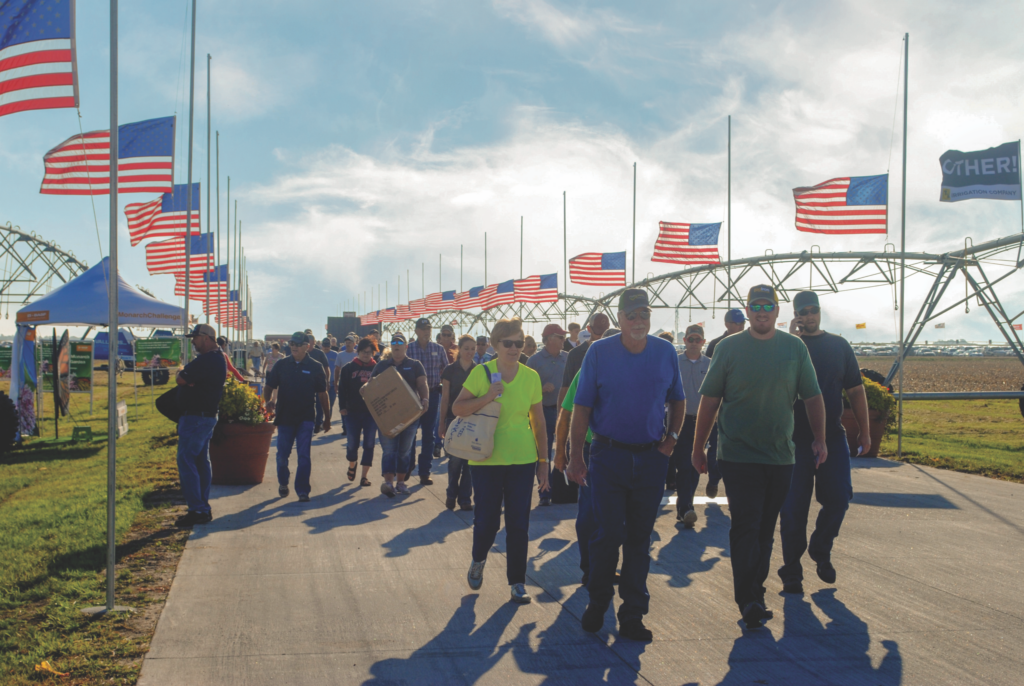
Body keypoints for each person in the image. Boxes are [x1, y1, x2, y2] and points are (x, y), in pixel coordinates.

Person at [691, 284, 826, 629]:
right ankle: (747, 599)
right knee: (746, 526)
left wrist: (821, 440)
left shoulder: (794, 348)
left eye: (768, 305)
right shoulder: (729, 348)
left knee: (766, 530)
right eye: (755, 305)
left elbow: (812, 397)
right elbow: (710, 400)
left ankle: (756, 591)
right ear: (747, 311)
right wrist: (698, 446)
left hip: (781, 456)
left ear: (777, 311)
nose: (762, 311)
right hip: (738, 454)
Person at [566, 290, 685, 641]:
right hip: (608, 455)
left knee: (639, 538)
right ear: (620, 318)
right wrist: (575, 456)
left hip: (651, 458)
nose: (639, 321)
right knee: (607, 534)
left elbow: (678, 399)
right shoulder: (599, 352)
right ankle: (598, 602)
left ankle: (632, 614)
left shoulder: (665, 352)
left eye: (644, 314)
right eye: (631, 315)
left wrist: (671, 440)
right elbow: (581, 407)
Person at [779, 291, 871, 593]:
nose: (808, 316)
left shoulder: (839, 345)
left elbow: (856, 391)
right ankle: (791, 571)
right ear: (794, 315)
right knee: (793, 510)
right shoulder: (787, 346)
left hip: (832, 437)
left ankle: (820, 546)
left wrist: (865, 431)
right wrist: (792, 341)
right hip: (793, 441)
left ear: (819, 312)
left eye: (812, 310)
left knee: (839, 499)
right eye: (802, 312)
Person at [454, 317, 548, 605]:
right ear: (495, 344)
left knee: (519, 523)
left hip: (522, 458)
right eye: (508, 343)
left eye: (519, 343)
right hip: (486, 459)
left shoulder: (531, 376)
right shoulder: (482, 373)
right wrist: (487, 398)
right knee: (488, 522)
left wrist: (544, 461)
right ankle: (478, 559)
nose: (514, 348)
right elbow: (458, 407)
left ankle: (517, 582)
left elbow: (539, 421)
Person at [264, 331, 331, 503]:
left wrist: (327, 419)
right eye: (291, 343)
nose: (293, 346)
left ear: (306, 347)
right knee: (282, 457)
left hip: (306, 418)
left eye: (297, 344)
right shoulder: (281, 365)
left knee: (304, 456)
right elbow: (269, 385)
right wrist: (268, 402)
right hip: (285, 417)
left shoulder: (315, 366)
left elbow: (323, 394)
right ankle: (283, 482)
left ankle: (302, 491)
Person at [174, 324, 227, 527]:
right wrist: (187, 377)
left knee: (186, 459)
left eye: (195, 338)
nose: (193, 342)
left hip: (196, 418)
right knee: (200, 462)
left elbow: (180, 379)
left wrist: (185, 373)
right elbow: (186, 380)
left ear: (206, 338)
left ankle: (197, 508)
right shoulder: (215, 359)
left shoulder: (208, 360)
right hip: (204, 417)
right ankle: (201, 507)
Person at [365, 332, 429, 498]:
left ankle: (401, 482)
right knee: (389, 450)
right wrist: (365, 388)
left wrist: (425, 399)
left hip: (410, 415)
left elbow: (422, 384)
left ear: (406, 346)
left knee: (405, 450)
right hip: (387, 416)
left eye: (400, 342)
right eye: (393, 342)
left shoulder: (415, 365)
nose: (396, 344)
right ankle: (388, 483)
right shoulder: (382, 366)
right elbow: (371, 386)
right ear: (390, 347)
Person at [669, 325, 711, 528]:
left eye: (698, 340)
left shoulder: (712, 364)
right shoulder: (674, 362)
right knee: (684, 464)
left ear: (703, 342)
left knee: (697, 465)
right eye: (691, 339)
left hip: (704, 421)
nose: (694, 343)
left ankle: (686, 506)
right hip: (680, 420)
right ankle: (686, 508)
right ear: (684, 340)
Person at [527, 323, 568, 507]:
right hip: (541, 412)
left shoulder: (568, 358)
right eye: (560, 337)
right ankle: (544, 492)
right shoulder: (534, 362)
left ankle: (559, 489)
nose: (563, 340)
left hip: (563, 412)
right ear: (550, 338)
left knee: (563, 451)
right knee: (543, 454)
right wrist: (541, 389)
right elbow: (525, 390)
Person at [405, 318, 450, 479]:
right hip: (411, 398)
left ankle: (425, 471)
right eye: (423, 329)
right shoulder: (408, 349)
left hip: (432, 396)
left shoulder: (438, 349)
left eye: (429, 329)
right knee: (410, 434)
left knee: (428, 435)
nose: (426, 332)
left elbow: (447, 372)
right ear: (416, 331)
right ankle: (407, 467)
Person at [439, 334, 476, 511]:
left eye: (472, 349)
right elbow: (445, 399)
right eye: (466, 348)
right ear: (459, 349)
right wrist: (441, 423)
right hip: (453, 420)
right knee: (454, 461)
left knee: (469, 462)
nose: (470, 352)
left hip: (473, 421)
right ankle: (451, 493)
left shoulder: (479, 370)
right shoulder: (449, 370)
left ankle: (465, 498)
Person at [338, 338, 379, 487]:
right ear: (358, 351)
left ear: (373, 353)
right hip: (352, 412)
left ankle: (364, 476)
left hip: (371, 413)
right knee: (352, 443)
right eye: (363, 352)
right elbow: (342, 389)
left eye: (369, 352)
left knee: (369, 443)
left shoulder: (377, 369)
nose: (366, 355)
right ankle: (352, 464)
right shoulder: (348, 368)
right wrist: (342, 406)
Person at [558, 313, 611, 407]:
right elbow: (566, 388)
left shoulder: (613, 352)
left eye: (605, 332)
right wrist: (561, 417)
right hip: (581, 409)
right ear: (589, 329)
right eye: (598, 332)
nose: (601, 336)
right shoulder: (575, 354)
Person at [305, 334, 331, 432]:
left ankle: (318, 423)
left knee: (320, 404)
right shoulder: (302, 354)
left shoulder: (319, 353)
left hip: (319, 382)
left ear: (314, 343)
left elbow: (326, 368)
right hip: (307, 384)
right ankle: (310, 421)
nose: (309, 347)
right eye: (308, 344)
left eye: (311, 344)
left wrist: (327, 381)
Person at [334, 335, 358, 436]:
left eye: (350, 342)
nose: (348, 344)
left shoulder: (357, 354)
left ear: (354, 344)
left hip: (355, 385)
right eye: (346, 342)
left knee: (354, 406)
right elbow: (337, 369)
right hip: (343, 384)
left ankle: (354, 426)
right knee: (343, 405)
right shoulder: (340, 355)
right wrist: (335, 383)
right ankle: (345, 427)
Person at [321, 338, 339, 422]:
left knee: (330, 403)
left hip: (332, 384)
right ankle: (319, 421)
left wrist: (336, 381)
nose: (326, 348)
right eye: (324, 346)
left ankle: (327, 420)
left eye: (327, 346)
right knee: (320, 404)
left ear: (330, 346)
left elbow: (339, 368)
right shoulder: (319, 354)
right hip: (321, 384)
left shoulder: (335, 355)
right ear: (322, 346)